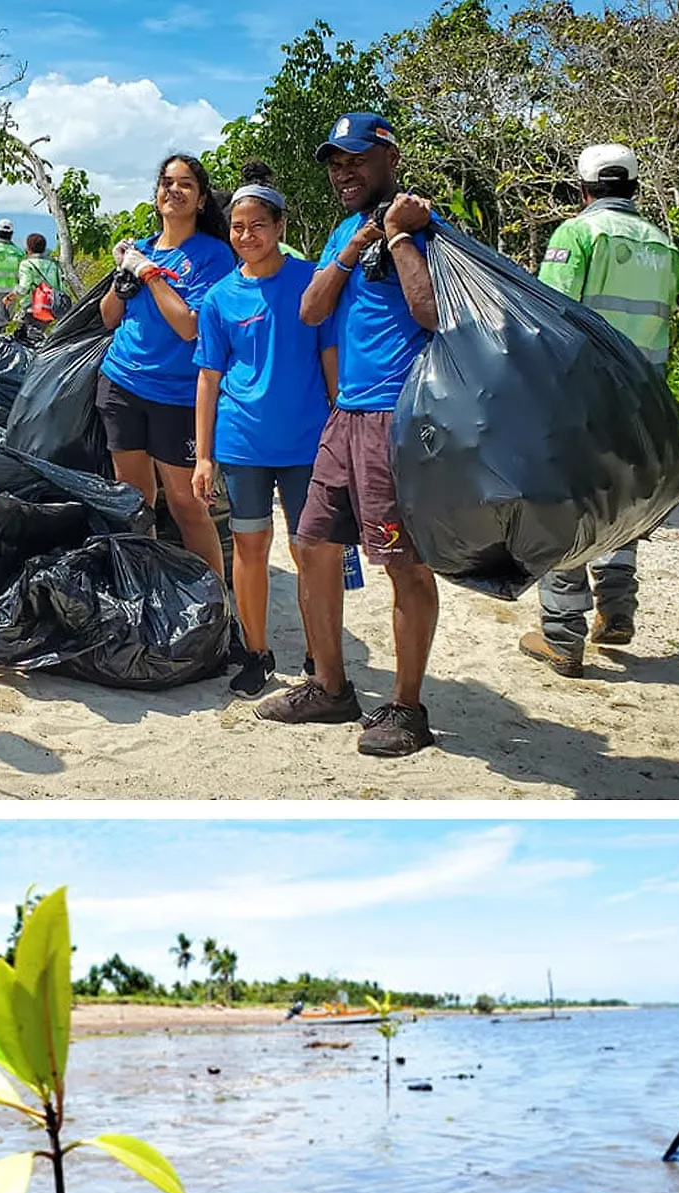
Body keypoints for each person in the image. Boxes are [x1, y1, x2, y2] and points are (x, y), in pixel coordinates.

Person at [262, 111, 446, 758]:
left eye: (356, 158)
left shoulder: (426, 228)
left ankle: (408, 707)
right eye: (335, 161)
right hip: (344, 417)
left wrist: (397, 238)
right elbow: (311, 309)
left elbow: (431, 313)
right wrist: (357, 243)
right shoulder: (347, 227)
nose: (344, 170)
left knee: (404, 565)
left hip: (398, 418)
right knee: (312, 545)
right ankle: (331, 687)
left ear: (389, 157)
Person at [525, 142, 679, 678]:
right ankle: (616, 606)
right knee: (622, 503)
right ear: (632, 187)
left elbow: (553, 317)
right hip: (644, 397)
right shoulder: (663, 246)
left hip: (586, 395)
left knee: (567, 508)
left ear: (583, 188)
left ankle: (562, 636)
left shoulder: (578, 234)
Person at [192, 165, 339, 696]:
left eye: (258, 225)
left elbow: (331, 362)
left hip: (306, 444)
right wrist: (204, 456)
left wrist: (340, 430)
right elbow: (208, 379)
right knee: (250, 549)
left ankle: (319, 650)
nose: (246, 235)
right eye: (237, 226)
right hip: (243, 443)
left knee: (312, 553)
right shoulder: (219, 298)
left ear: (279, 226)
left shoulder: (312, 281)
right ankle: (256, 652)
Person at [97, 153, 238, 597]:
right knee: (135, 500)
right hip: (121, 383)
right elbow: (108, 317)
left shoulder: (213, 256)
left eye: (185, 184)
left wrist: (150, 274)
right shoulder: (143, 245)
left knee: (186, 504)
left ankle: (211, 603)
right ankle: (146, 592)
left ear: (199, 200)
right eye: (166, 182)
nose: (172, 190)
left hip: (177, 395)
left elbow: (190, 325)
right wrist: (124, 278)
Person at [16, 232, 67, 329]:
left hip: (31, 308)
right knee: (38, 336)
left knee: (26, 337)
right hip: (48, 309)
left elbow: (24, 288)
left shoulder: (26, 264)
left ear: (29, 248)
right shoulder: (53, 265)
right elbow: (60, 288)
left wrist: (12, 295)